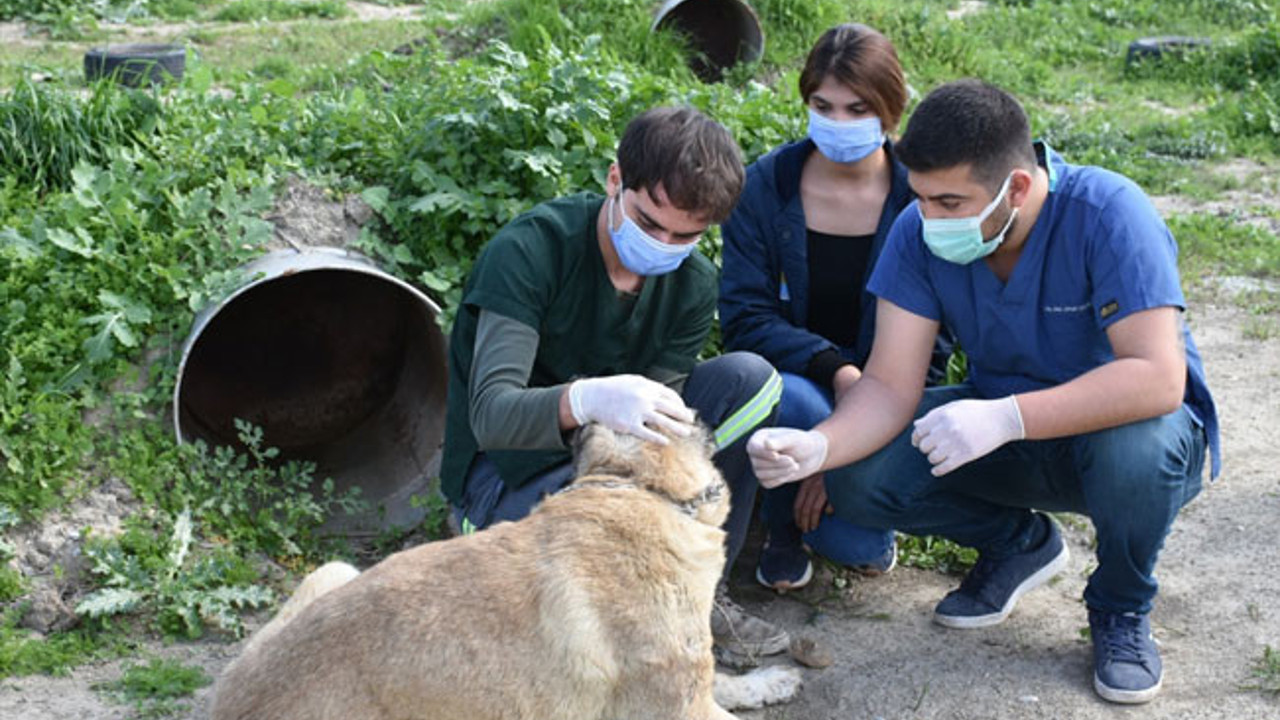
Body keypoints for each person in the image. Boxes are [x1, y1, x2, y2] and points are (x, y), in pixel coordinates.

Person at [747, 80, 1219, 704]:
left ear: (1017, 188)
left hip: (1125, 437)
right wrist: (818, 447)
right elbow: (888, 384)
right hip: (1007, 432)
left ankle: (1121, 607)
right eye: (919, 197)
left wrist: (1009, 416)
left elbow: (1159, 379)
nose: (929, 219)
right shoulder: (918, 231)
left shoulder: (1108, 212)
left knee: (1137, 447)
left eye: (949, 201)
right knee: (857, 475)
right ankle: (1017, 543)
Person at [439, 106, 789, 660]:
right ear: (615, 179)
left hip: (607, 465)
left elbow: (655, 435)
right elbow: (492, 413)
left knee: (752, 382)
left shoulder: (692, 283)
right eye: (650, 223)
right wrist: (589, 398)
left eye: (686, 235)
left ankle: (700, 596)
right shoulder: (530, 252)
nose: (664, 244)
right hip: (506, 477)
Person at [720, 24, 949, 590]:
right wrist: (837, 371)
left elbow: (938, 343)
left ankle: (833, 491)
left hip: (889, 393)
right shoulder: (765, 188)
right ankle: (779, 528)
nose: (838, 123)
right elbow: (745, 318)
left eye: (857, 108)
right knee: (785, 397)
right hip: (800, 382)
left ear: (891, 111)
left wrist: (840, 445)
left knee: (858, 547)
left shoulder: (918, 199)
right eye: (823, 105)